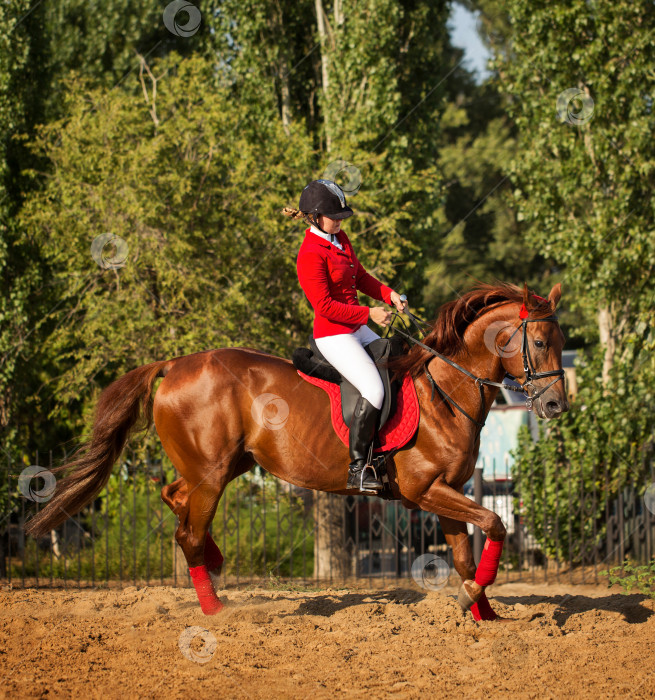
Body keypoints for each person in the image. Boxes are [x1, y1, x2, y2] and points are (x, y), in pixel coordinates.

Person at [284, 179, 408, 492]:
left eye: (342, 217)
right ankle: (357, 468)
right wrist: (369, 314)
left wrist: (389, 294)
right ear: (314, 217)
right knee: (373, 389)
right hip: (334, 335)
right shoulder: (310, 253)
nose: (340, 221)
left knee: (401, 360)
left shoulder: (340, 239)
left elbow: (361, 277)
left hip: (356, 328)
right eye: (334, 216)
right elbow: (325, 306)